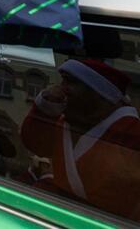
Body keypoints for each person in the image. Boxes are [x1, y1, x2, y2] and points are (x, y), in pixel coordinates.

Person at [20, 58, 140, 219]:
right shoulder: (66, 123)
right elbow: (35, 144)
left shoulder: (131, 133)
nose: (61, 90)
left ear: (98, 92)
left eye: (70, 83)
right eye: (62, 82)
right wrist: (44, 109)